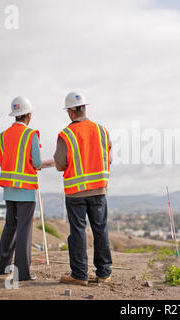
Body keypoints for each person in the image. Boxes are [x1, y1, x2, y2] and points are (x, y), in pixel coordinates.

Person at [54, 91, 112, 286]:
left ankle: (79, 275)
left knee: (78, 231)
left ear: (70, 112)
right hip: (98, 190)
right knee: (100, 230)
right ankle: (104, 273)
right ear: (84, 108)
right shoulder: (101, 130)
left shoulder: (66, 134)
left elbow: (60, 164)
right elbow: (109, 158)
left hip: (75, 193)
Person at [0, 96, 42, 281]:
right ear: (28, 115)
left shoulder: (4, 136)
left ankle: (2, 267)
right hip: (26, 191)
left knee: (10, 226)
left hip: (9, 190)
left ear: (15, 115)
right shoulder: (31, 135)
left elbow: (0, 160)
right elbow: (37, 162)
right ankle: (22, 273)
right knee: (24, 229)